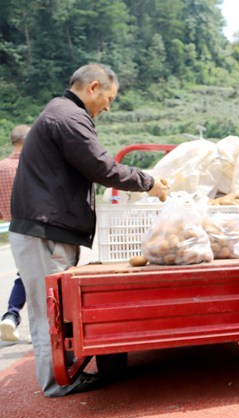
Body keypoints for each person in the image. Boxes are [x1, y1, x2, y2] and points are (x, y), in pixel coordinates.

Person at [9, 63, 170, 397]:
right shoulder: (69, 117)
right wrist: (149, 182)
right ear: (93, 87)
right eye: (108, 98)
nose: (108, 107)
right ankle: (57, 384)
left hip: (48, 227)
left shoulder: (60, 113)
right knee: (48, 314)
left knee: (55, 310)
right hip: (44, 230)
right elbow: (100, 166)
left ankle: (63, 373)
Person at [0, 125, 30, 342]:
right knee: (42, 277)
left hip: (13, 229)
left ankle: (11, 315)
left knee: (24, 273)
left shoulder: (1, 168)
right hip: (38, 227)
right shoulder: (34, 165)